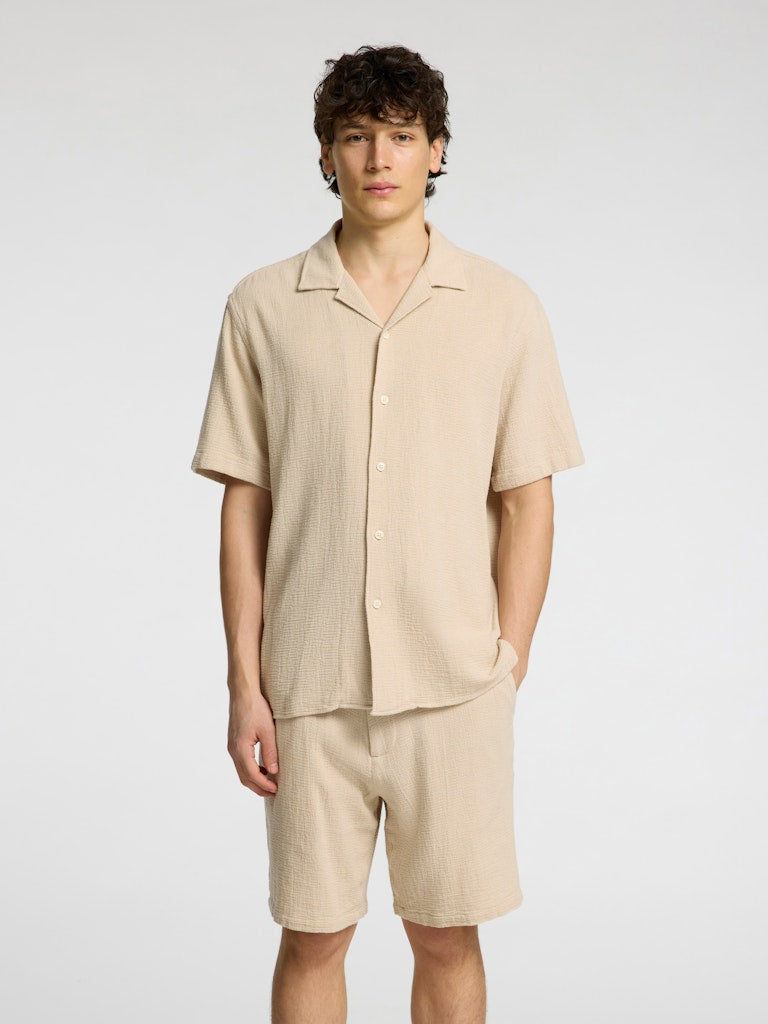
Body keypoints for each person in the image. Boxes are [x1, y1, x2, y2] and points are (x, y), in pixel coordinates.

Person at [190, 42, 585, 1024]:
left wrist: (506, 660)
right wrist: (245, 683)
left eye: (401, 136)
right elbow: (245, 504)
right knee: (313, 934)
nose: (378, 157)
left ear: (436, 150)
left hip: (453, 688)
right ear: (327, 152)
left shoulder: (502, 307)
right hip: (309, 688)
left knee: (446, 933)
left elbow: (527, 498)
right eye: (357, 135)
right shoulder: (262, 308)